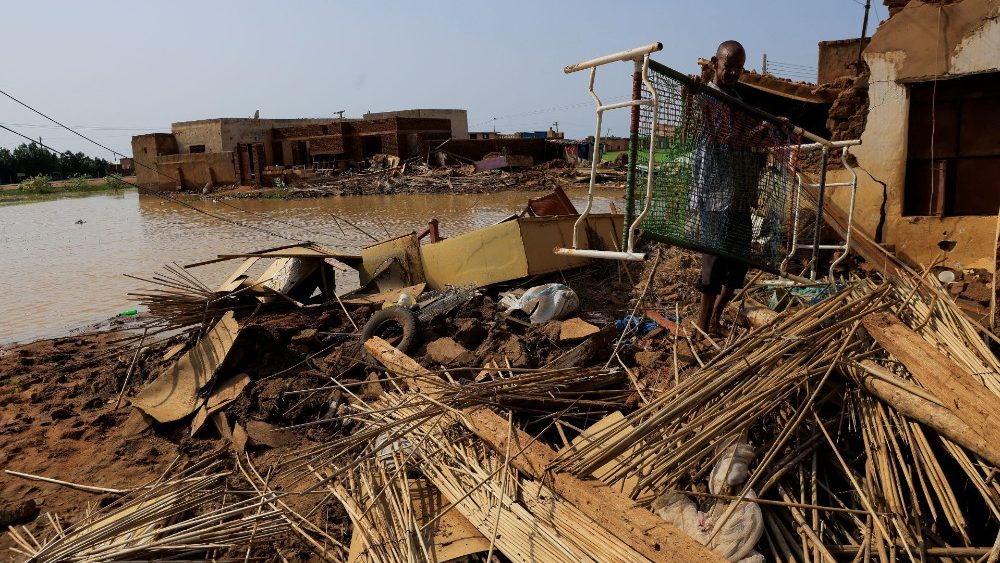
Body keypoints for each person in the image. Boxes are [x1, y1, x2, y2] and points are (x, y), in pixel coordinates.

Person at [689, 40, 773, 335]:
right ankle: (702, 327)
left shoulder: (738, 99)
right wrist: (690, 93)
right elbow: (700, 123)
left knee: (739, 263)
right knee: (713, 262)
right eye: (729, 66)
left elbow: (741, 139)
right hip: (713, 195)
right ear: (715, 62)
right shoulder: (704, 95)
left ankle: (716, 320)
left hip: (739, 196)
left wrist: (763, 131)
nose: (735, 72)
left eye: (739, 67)